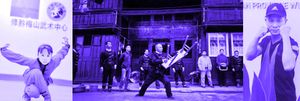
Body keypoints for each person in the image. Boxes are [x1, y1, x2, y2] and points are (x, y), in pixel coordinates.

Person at [246, 3, 298, 101]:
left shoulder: (291, 43)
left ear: (285, 21)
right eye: (271, 20)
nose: (275, 25)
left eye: (279, 21)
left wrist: (285, 36)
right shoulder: (266, 41)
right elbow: (249, 56)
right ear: (266, 21)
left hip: (284, 96)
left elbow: (289, 66)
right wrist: (257, 36)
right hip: (264, 95)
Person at [0, 37, 70, 101]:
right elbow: (18, 58)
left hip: (41, 83)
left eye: (48, 55)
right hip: (30, 78)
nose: (45, 58)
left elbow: (61, 54)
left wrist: (66, 46)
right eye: (42, 55)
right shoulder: (33, 62)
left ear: (51, 56)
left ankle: (36, 93)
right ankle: (27, 94)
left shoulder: (54, 62)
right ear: (38, 55)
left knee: (35, 92)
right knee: (37, 72)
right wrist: (3, 50)